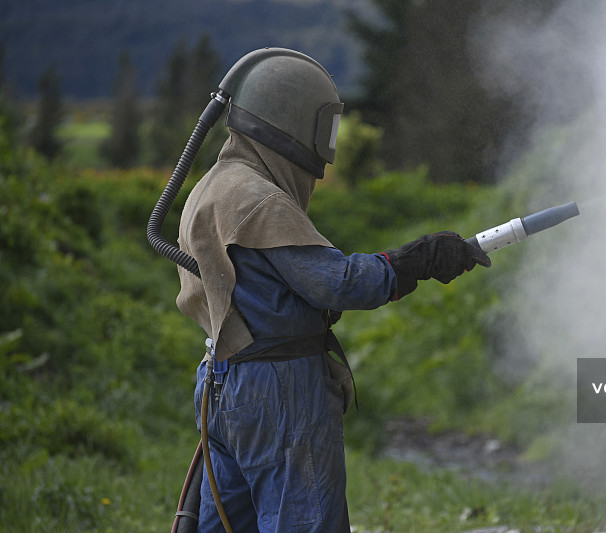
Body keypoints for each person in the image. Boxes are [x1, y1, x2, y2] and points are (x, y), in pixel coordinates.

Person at [175, 48, 491, 533]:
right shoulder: (257, 198)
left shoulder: (212, 186)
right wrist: (419, 260)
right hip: (278, 393)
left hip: (220, 384)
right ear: (294, 122)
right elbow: (337, 283)